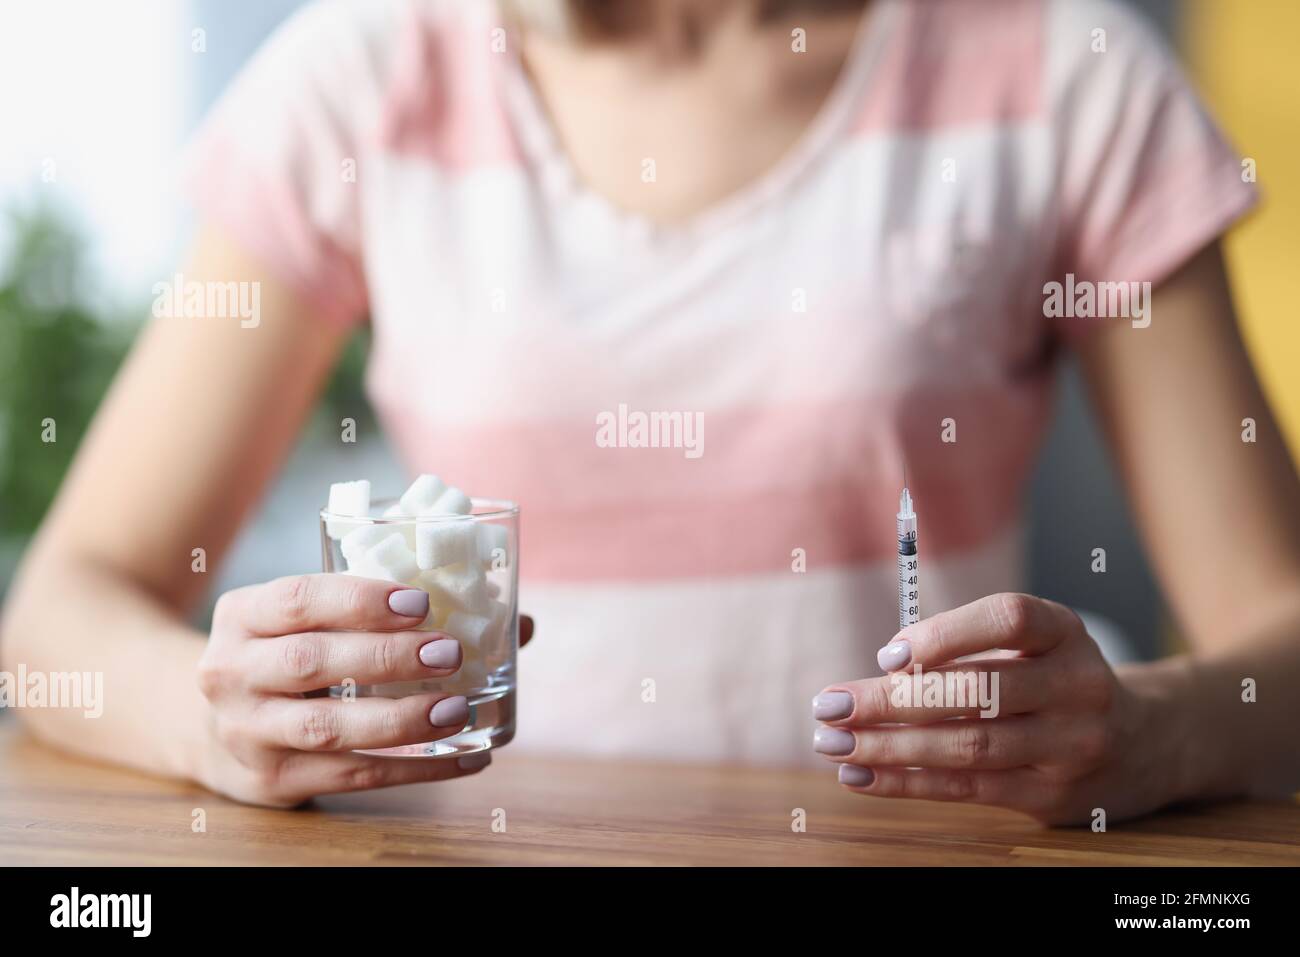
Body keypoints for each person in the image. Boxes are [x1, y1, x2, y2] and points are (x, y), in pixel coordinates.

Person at [3, 0, 1298, 823]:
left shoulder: (1065, 77)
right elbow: (55, 612)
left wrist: (1144, 733)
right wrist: (223, 715)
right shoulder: (364, 73)